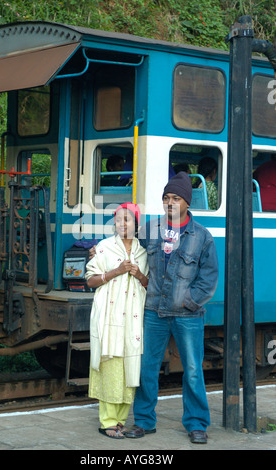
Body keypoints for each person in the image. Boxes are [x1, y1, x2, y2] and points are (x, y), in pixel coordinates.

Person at [124, 171, 219, 444]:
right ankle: (143, 421)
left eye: (176, 198)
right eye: (166, 197)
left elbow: (209, 279)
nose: (170, 202)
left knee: (191, 369)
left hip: (187, 314)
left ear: (187, 202)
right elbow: (129, 249)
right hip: (154, 310)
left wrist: (190, 302)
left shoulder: (201, 236)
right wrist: (101, 252)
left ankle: (196, 423)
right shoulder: (151, 230)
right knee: (147, 367)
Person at [85, 203, 149, 439]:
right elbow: (90, 280)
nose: (123, 223)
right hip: (109, 316)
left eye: (128, 219)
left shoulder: (143, 252)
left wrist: (138, 274)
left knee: (129, 368)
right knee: (110, 366)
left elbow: (148, 283)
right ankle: (107, 421)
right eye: (119, 219)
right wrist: (117, 270)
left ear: (136, 224)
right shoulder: (104, 248)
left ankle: (120, 420)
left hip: (133, 317)